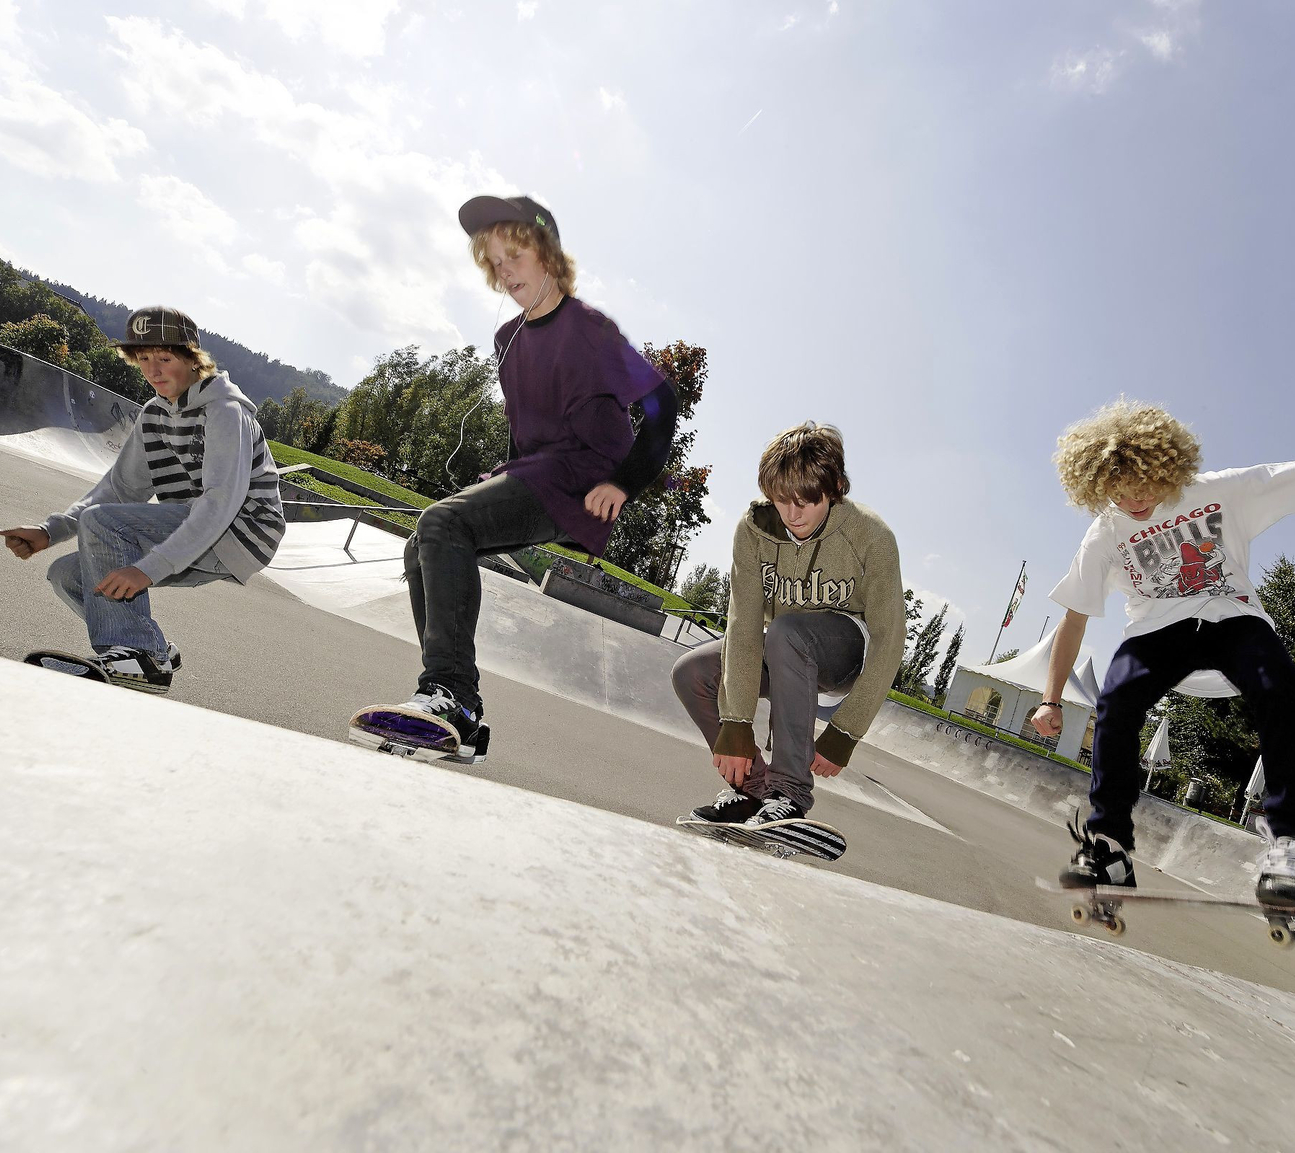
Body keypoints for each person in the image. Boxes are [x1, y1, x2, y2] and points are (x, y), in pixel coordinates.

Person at [1029, 399, 1295, 906]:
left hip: (1232, 618)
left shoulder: (1217, 491)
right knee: (1116, 700)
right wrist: (1051, 698)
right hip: (1156, 630)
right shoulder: (1104, 533)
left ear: (1167, 470)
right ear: (1098, 487)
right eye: (1119, 493)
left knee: (1278, 687)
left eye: (1145, 487)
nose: (1134, 501)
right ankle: (1109, 845)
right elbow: (1074, 618)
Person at [384, 195, 678, 755]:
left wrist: (624, 483)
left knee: (442, 523)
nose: (504, 271)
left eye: (514, 256)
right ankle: (461, 714)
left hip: (583, 479)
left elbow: (663, 404)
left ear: (548, 256)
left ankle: (449, 692)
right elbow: (525, 429)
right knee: (422, 542)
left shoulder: (591, 329)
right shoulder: (508, 339)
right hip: (537, 475)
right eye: (494, 262)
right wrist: (500, 486)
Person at [0, 306, 284, 692]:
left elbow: (220, 502)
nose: (154, 370)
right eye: (144, 359)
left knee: (104, 522)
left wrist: (150, 568)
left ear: (192, 359)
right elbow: (119, 489)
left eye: (164, 358)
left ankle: (140, 659)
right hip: (194, 527)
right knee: (69, 575)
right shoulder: (154, 416)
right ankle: (152, 652)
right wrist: (51, 531)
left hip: (241, 531)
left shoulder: (226, 412)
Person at [671, 422, 905, 827]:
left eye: (807, 501)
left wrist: (846, 731)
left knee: (787, 632)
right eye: (782, 501)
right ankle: (755, 793)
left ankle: (789, 794)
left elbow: (890, 639)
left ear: (834, 489)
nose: (793, 515)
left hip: (846, 652)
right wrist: (736, 722)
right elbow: (743, 625)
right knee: (692, 673)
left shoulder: (870, 535)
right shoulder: (753, 531)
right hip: (783, 647)